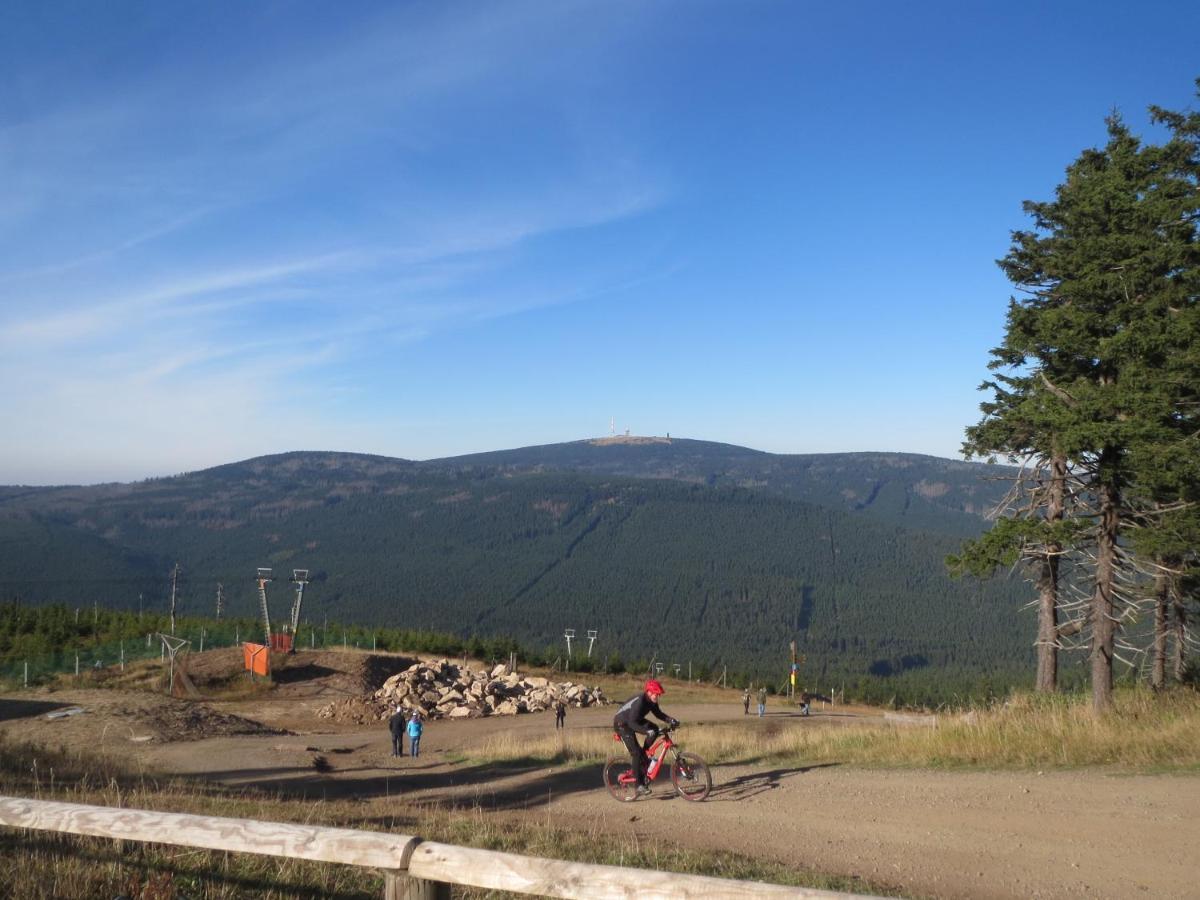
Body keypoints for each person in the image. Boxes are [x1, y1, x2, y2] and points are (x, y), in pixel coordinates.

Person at [613, 679, 678, 795]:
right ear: (648, 692)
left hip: (634, 720)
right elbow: (632, 723)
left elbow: (658, 714)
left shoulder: (651, 701)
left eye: (658, 695)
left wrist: (671, 720)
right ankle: (639, 785)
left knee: (655, 729)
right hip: (623, 724)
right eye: (655, 694)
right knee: (636, 753)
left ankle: (644, 755)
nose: (657, 697)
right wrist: (646, 731)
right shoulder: (640, 702)